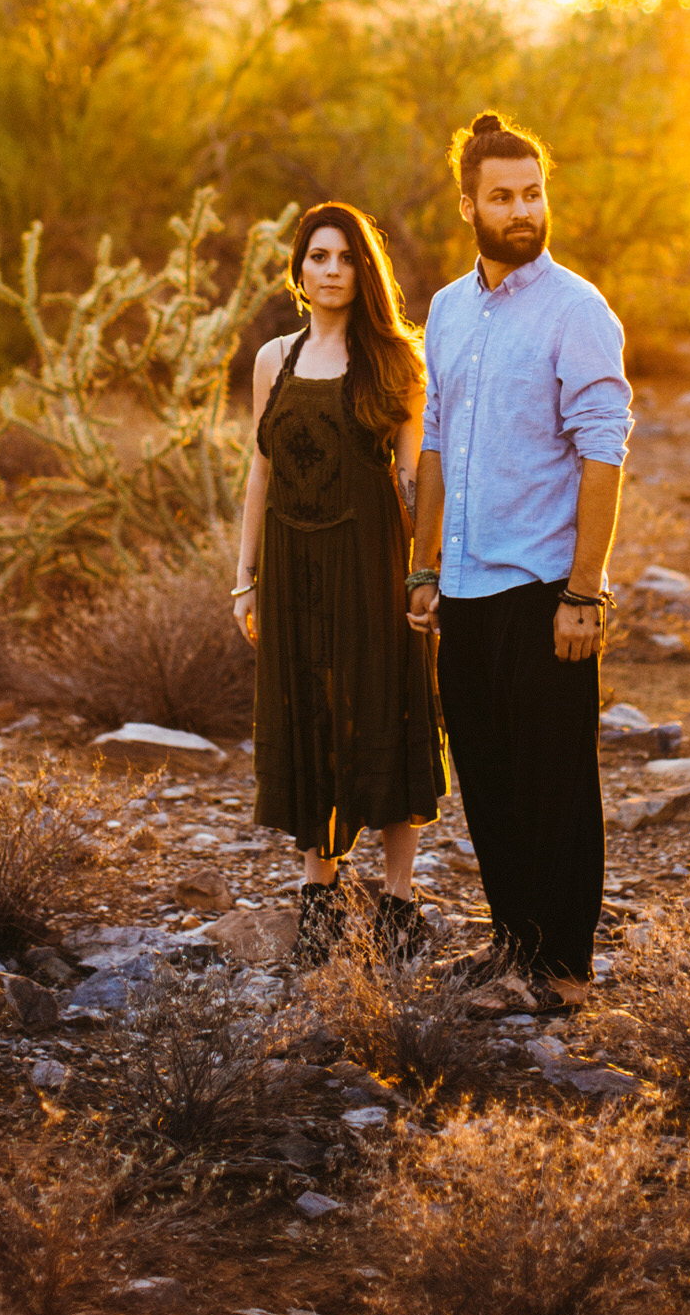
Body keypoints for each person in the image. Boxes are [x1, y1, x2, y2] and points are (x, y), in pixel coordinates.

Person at [407, 111, 632, 1011]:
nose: (522, 210)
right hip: (462, 587)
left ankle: (567, 973)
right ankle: (515, 945)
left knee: (556, 781)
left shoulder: (577, 310)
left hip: (544, 587)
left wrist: (586, 591)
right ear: (468, 205)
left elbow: (604, 453)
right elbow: (434, 447)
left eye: (532, 193)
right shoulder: (449, 310)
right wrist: (425, 569)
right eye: (502, 197)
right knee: (488, 776)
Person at [233, 201, 447, 966]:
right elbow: (260, 470)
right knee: (309, 707)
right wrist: (244, 577)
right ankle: (319, 899)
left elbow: (419, 477)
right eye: (318, 257)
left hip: (371, 563)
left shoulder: (397, 361)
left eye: (346, 258)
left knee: (384, 706)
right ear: (299, 268)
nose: (331, 271)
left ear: (366, 270)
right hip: (292, 569)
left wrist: (425, 574)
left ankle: (398, 900)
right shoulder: (274, 361)